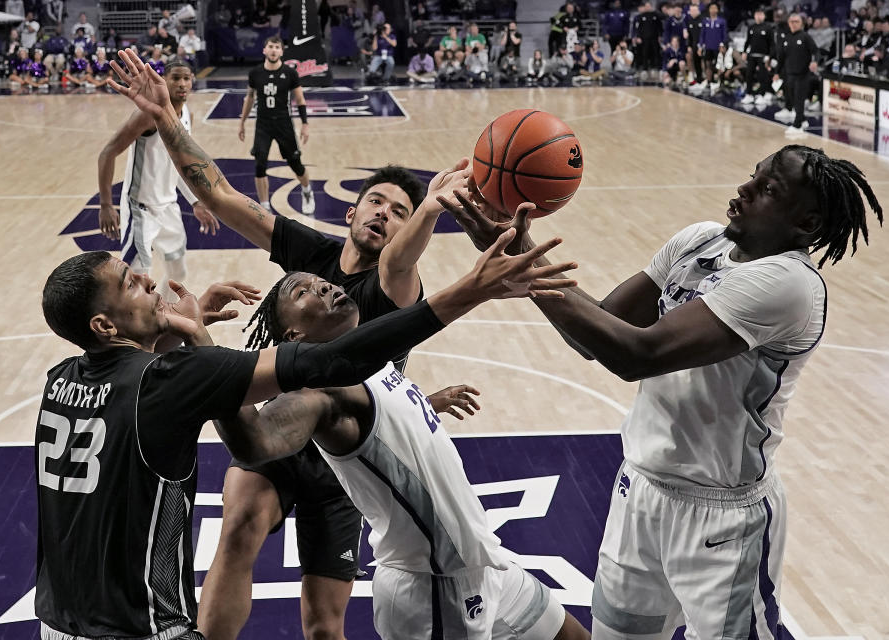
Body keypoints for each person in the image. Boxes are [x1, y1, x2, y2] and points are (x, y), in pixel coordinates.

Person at [34, 216, 573, 640]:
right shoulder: (177, 378)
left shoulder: (62, 378)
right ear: (104, 324)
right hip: (141, 627)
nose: (150, 278)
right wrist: (470, 289)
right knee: (246, 534)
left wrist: (185, 335)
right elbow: (321, 371)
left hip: (60, 619)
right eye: (132, 283)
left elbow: (138, 379)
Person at [109, 46, 493, 640]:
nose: (386, 215)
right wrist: (164, 119)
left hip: (348, 460)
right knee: (237, 534)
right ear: (353, 209)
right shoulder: (310, 253)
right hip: (279, 433)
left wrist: (432, 209)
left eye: (400, 211)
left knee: (322, 624)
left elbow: (403, 255)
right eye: (377, 202)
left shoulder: (393, 281)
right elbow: (219, 197)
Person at [443, 143, 884, 640]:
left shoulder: (789, 285)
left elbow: (638, 355)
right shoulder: (698, 241)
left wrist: (522, 263)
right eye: (753, 177)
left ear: (805, 223)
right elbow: (596, 333)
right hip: (640, 492)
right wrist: (515, 251)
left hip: (724, 520)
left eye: (767, 190)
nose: (744, 190)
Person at [216, 269, 593, 640]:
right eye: (303, 292)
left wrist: (431, 402)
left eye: (321, 281)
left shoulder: (372, 358)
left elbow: (390, 429)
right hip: (435, 590)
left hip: (487, 565)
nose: (324, 286)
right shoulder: (323, 392)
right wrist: (205, 361)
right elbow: (255, 441)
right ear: (294, 335)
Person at [97, 59, 218, 302]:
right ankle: (135, 330)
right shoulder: (147, 115)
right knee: (137, 281)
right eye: (176, 78)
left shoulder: (186, 116)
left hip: (168, 207)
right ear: (163, 80)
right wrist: (106, 205)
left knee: (178, 273)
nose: (182, 83)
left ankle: (162, 319)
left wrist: (195, 202)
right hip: (140, 208)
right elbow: (107, 153)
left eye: (187, 78)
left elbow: (181, 164)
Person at [239, 36, 315, 215]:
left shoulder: (290, 73)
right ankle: (264, 207)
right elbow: (250, 97)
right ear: (264, 50)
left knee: (295, 163)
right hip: (263, 124)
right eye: (270, 46)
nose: (273, 50)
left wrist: (305, 124)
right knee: (259, 165)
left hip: (284, 124)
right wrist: (242, 122)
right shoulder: (255, 73)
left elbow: (300, 99)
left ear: (282, 51)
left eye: (277, 47)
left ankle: (307, 192)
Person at [773, 13, 819, 137]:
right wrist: (776, 72)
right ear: (788, 23)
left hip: (803, 74)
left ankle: (797, 125)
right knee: (792, 99)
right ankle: (803, 120)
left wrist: (815, 61)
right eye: (791, 21)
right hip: (789, 74)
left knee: (799, 100)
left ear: (801, 23)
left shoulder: (805, 37)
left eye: (796, 21)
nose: (793, 24)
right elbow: (781, 58)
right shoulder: (786, 38)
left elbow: (816, 51)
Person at [742, 9, 776, 105]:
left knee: (762, 75)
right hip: (752, 55)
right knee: (749, 75)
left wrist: (769, 56)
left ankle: (762, 94)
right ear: (754, 16)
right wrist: (744, 52)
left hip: (763, 56)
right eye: (757, 14)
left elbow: (772, 44)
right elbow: (747, 41)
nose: (759, 16)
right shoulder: (751, 27)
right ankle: (749, 94)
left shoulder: (768, 28)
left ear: (764, 16)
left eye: (761, 15)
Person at [698, 2, 727, 90]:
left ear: (717, 10)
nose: (713, 10)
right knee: (708, 64)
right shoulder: (705, 21)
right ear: (709, 10)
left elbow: (724, 34)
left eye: (715, 8)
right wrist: (700, 46)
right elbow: (702, 34)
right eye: (711, 8)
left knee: (719, 65)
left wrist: (722, 44)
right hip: (708, 46)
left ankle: (719, 81)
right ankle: (709, 81)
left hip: (718, 47)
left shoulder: (722, 21)